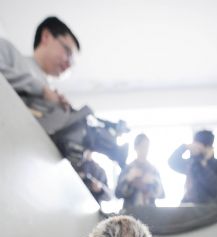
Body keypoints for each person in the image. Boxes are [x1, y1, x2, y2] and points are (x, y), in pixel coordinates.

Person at [0, 16, 128, 168]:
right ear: (46, 36)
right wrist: (41, 90)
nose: (68, 64)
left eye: (72, 63)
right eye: (67, 52)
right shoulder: (7, 51)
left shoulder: (53, 97)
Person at [168, 130, 217, 205]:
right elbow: (172, 162)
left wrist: (203, 163)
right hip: (189, 209)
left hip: (211, 210)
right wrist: (185, 147)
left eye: (198, 146)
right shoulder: (193, 164)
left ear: (207, 147)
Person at [115, 133, 165, 208]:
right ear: (135, 147)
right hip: (131, 212)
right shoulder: (128, 169)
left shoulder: (153, 169)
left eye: (146, 147)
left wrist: (153, 181)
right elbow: (117, 194)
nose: (144, 150)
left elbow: (162, 194)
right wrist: (128, 179)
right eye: (142, 146)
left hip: (150, 213)